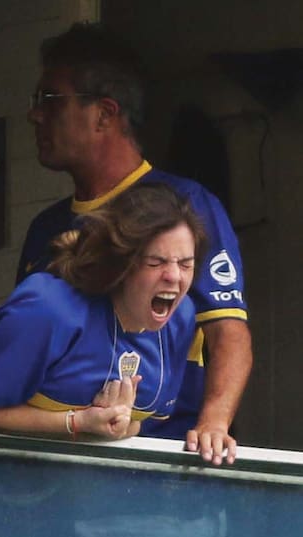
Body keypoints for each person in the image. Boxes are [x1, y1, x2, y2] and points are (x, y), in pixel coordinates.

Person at [15, 22, 252, 466]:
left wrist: (213, 426)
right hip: (57, 468)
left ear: (104, 113)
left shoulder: (185, 205)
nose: (35, 115)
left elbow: (228, 329)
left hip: (160, 467)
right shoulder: (43, 228)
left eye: (49, 100)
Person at [0, 183, 224, 459]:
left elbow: (139, 424)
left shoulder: (180, 320)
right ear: (120, 262)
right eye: (156, 262)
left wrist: (115, 425)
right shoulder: (50, 309)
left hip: (30, 460)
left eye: (185, 263)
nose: (173, 277)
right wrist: (79, 424)